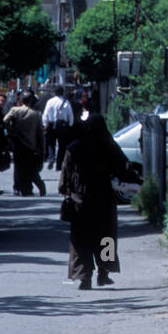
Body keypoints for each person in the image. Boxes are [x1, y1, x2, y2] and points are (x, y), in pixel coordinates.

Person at [58, 94, 135, 290]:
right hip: (103, 200)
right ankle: (104, 272)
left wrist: (65, 190)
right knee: (106, 237)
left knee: (80, 239)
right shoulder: (109, 146)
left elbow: (65, 176)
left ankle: (84, 277)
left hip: (80, 201)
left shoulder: (75, 148)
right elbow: (124, 168)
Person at [4, 91, 46, 197]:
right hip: (30, 144)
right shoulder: (36, 114)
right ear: (31, 101)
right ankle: (28, 188)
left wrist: (11, 131)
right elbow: (40, 132)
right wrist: (42, 147)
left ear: (21, 100)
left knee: (18, 167)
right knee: (29, 167)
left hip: (18, 143)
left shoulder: (15, 110)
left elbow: (5, 120)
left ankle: (18, 187)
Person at [42, 85, 74, 170]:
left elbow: (45, 114)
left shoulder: (50, 101)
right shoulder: (66, 102)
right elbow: (70, 115)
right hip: (62, 125)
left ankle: (51, 158)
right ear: (62, 92)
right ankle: (59, 164)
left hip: (51, 125)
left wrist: (45, 124)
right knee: (62, 145)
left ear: (54, 92)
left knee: (50, 143)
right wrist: (70, 124)